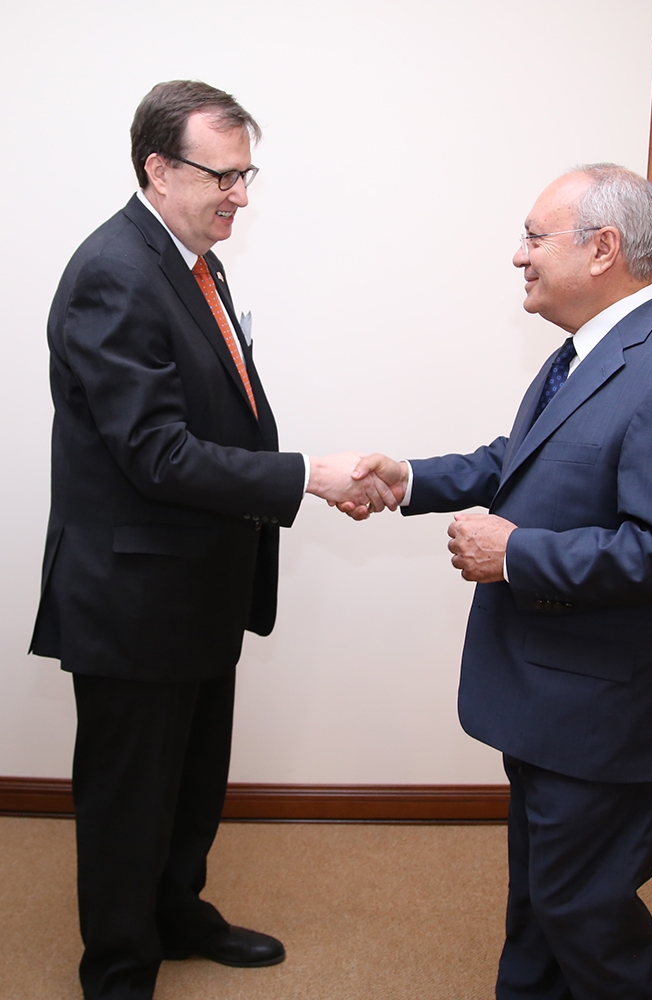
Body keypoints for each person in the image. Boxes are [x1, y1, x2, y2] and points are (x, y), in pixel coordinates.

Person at [30, 80, 400, 1000]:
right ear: (158, 168)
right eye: (221, 175)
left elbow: (214, 414)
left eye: (246, 175)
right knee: (129, 799)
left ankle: (176, 914)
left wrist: (295, 477)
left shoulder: (195, 261)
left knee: (191, 781)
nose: (239, 194)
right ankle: (119, 968)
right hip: (133, 595)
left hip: (194, 580)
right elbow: (155, 453)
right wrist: (306, 476)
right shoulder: (115, 272)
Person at [348, 164, 652, 999]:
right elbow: (524, 460)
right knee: (539, 907)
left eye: (534, 237)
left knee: (583, 915)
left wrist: (515, 554)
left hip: (606, 717)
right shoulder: (584, 353)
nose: (517, 256)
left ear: (602, 249)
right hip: (552, 704)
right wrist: (410, 479)